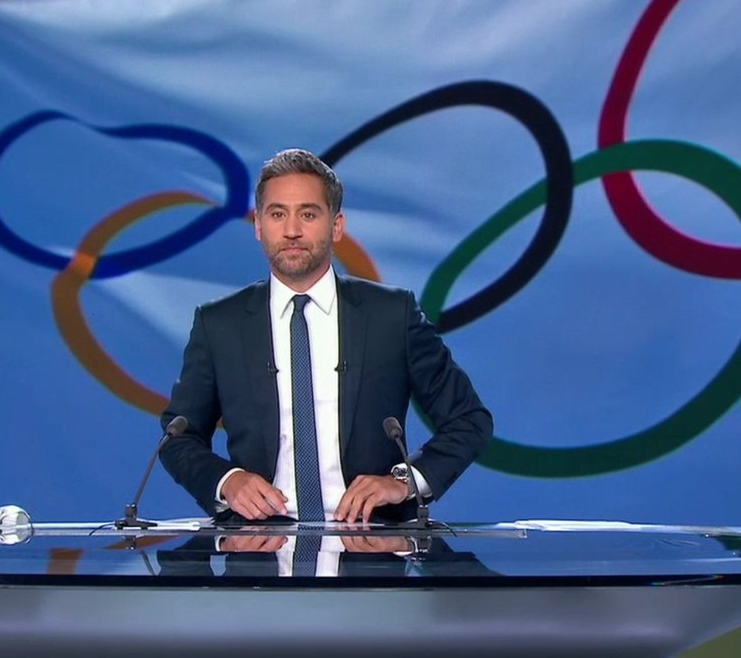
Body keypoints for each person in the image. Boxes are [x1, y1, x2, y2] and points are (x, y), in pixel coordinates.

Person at [159, 149, 492, 524]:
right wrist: (228, 482)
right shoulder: (220, 324)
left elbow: (469, 421)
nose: (292, 231)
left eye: (308, 214)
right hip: (257, 545)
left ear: (336, 226)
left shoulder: (391, 315)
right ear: (258, 226)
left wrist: (403, 482)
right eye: (277, 214)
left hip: (373, 541)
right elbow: (179, 437)